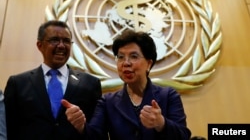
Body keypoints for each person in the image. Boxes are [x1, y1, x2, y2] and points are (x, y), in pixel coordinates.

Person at [63, 29, 192, 140]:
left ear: (148, 63)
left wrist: (161, 123)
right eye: (120, 57)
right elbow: (95, 137)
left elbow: (183, 136)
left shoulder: (168, 96)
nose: (126, 63)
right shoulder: (107, 102)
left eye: (134, 56)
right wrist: (81, 126)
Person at [4, 20, 102, 140]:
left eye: (66, 41)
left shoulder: (90, 84)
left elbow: (98, 134)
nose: (61, 45)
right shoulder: (18, 84)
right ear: (40, 45)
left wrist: (83, 127)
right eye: (54, 40)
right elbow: (9, 130)